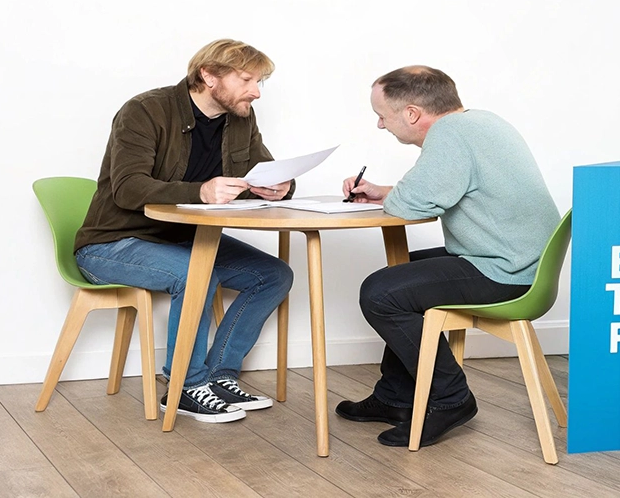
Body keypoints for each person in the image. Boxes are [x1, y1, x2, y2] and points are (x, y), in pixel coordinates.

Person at [335, 66, 560, 447]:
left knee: (381, 292)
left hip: (506, 271)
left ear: (410, 113)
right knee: (404, 277)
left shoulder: (450, 135)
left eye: (383, 115)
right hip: (521, 261)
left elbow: (411, 202)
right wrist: (381, 190)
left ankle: (451, 398)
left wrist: (392, 195)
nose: (379, 125)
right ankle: (396, 397)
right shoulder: (479, 123)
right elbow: (444, 187)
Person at [74, 39, 294, 424]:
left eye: (260, 82)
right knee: (197, 272)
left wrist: (282, 186)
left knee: (274, 275)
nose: (256, 92)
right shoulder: (145, 110)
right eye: (246, 80)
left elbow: (265, 170)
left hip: (185, 240)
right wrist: (201, 191)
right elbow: (128, 187)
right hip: (113, 242)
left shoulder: (241, 118)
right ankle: (185, 387)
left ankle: (219, 377)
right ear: (209, 75)